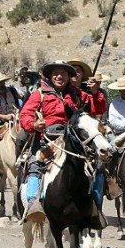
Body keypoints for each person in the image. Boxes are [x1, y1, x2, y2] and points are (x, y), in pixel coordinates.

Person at [19, 61, 81, 222]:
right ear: (50, 76)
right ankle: (34, 204)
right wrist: (34, 125)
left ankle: (94, 208)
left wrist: (95, 92)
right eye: (56, 73)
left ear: (69, 77)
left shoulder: (75, 94)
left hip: (70, 139)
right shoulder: (39, 94)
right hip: (46, 139)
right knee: (35, 164)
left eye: (64, 73)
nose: (59, 76)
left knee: (93, 164)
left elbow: (94, 108)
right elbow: (24, 115)